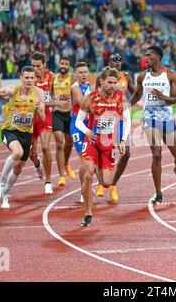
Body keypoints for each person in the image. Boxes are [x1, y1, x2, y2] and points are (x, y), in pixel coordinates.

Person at [130, 45, 176, 204]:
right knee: (156, 153)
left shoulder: (170, 75)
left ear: (158, 57)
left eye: (149, 56)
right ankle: (158, 193)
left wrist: (162, 96)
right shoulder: (142, 76)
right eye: (145, 56)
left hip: (167, 119)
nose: (146, 58)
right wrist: (124, 106)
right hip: (149, 118)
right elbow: (136, 95)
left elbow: (175, 99)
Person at [0, 66, 45, 209]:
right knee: (18, 152)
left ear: (35, 79)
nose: (29, 80)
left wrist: (38, 109)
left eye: (31, 78)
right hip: (9, 130)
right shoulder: (13, 90)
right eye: (26, 77)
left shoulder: (39, 93)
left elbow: (42, 118)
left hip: (26, 133)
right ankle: (0, 182)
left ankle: (6, 191)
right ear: (21, 78)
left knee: (18, 168)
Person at [75, 67, 131, 226]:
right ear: (102, 82)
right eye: (110, 82)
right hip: (92, 141)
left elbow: (127, 120)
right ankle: (88, 213)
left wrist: (122, 140)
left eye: (115, 82)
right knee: (88, 174)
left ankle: (93, 168)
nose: (113, 85)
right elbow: (79, 121)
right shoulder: (90, 98)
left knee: (106, 183)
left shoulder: (121, 98)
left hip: (108, 144)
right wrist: (87, 131)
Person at [94, 53, 135, 202]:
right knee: (99, 151)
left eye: (119, 60)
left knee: (126, 153)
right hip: (104, 119)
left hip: (120, 119)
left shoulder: (126, 77)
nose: (118, 62)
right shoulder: (101, 78)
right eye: (114, 60)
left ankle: (113, 185)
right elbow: (95, 95)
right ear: (109, 62)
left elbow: (136, 92)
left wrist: (127, 104)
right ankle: (100, 183)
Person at [29, 52, 55, 194]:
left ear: (44, 65)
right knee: (31, 153)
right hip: (31, 119)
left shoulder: (51, 76)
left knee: (45, 147)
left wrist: (55, 101)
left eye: (38, 66)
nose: (35, 69)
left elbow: (54, 92)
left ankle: (48, 181)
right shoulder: (28, 79)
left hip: (45, 117)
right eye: (33, 66)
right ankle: (37, 164)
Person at [70, 61, 93, 202]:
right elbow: (83, 104)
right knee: (84, 160)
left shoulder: (90, 86)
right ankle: (83, 191)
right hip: (78, 126)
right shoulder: (75, 88)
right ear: (76, 75)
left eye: (85, 72)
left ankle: (87, 185)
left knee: (90, 160)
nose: (83, 74)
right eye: (80, 72)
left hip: (89, 125)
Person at [52, 56, 75, 187]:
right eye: (62, 63)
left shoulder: (72, 78)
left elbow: (79, 91)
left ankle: (66, 163)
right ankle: (61, 176)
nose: (64, 65)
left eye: (66, 64)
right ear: (59, 64)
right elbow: (49, 93)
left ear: (69, 66)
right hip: (57, 113)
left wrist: (69, 96)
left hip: (70, 114)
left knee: (69, 142)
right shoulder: (53, 78)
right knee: (59, 143)